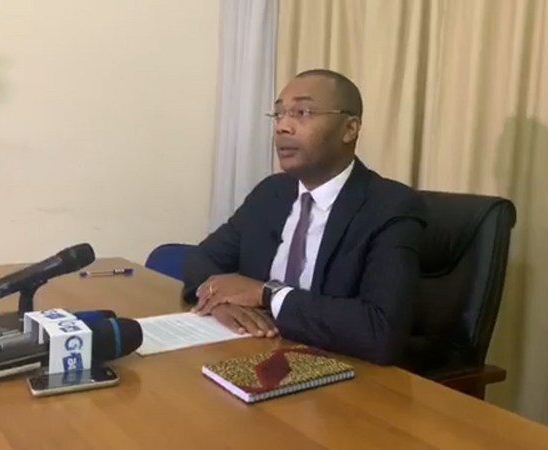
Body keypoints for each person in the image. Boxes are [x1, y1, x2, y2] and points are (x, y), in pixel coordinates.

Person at [183, 69, 427, 365]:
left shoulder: (390, 206)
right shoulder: (271, 193)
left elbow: (381, 330)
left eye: (302, 112)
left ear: (349, 129)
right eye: (278, 114)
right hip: (256, 354)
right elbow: (201, 260)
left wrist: (267, 294)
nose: (282, 127)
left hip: (337, 372)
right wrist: (220, 303)